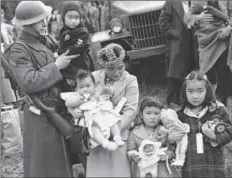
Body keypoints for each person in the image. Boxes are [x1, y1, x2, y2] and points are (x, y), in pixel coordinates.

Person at [8, 1, 79, 177]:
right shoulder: (18, 49)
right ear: (29, 24)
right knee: (47, 165)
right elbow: (28, 82)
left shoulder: (45, 41)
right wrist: (56, 66)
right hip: (41, 113)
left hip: (58, 107)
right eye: (41, 20)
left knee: (63, 161)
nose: (45, 23)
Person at [86, 43, 139, 177]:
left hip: (119, 133)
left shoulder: (131, 80)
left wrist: (110, 129)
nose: (117, 72)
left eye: (120, 67)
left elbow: (130, 111)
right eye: (111, 69)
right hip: (97, 134)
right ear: (103, 66)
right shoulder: (93, 77)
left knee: (119, 173)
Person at [177, 71, 232, 178]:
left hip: (214, 165)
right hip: (191, 166)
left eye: (200, 91)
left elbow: (229, 132)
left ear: (207, 91)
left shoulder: (217, 111)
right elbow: (173, 141)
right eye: (190, 91)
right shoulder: (180, 115)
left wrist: (213, 136)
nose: (195, 96)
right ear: (184, 92)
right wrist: (171, 138)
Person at [60, 69, 125, 151]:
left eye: (88, 86)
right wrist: (80, 99)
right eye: (81, 87)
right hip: (89, 119)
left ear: (94, 86)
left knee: (113, 120)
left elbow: (107, 92)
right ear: (76, 89)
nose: (85, 89)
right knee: (94, 128)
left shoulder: (96, 93)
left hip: (101, 115)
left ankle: (117, 137)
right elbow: (68, 103)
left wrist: (104, 93)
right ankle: (104, 143)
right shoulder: (76, 97)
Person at [184, 1, 232, 105]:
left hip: (222, 38)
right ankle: (209, 98)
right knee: (207, 71)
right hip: (205, 40)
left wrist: (229, 28)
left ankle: (222, 99)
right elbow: (187, 17)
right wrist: (198, 18)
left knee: (224, 70)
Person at [127, 97, 180, 177]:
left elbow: (172, 149)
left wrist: (167, 156)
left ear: (161, 114)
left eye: (156, 113)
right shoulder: (134, 132)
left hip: (162, 170)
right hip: (143, 170)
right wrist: (133, 156)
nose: (152, 117)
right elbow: (130, 149)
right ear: (141, 114)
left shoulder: (166, 131)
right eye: (148, 113)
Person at [158, 1, 193, 107]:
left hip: (193, 38)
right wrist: (174, 33)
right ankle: (173, 100)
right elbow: (162, 21)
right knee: (175, 70)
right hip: (178, 40)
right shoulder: (171, 3)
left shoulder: (194, 2)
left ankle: (188, 98)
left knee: (191, 69)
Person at [58, 1, 90, 92]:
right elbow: (61, 43)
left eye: (76, 18)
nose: (73, 21)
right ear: (63, 18)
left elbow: (77, 48)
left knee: (82, 86)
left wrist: (61, 53)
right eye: (70, 17)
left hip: (79, 65)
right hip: (66, 65)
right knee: (69, 89)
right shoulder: (62, 31)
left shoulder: (82, 32)